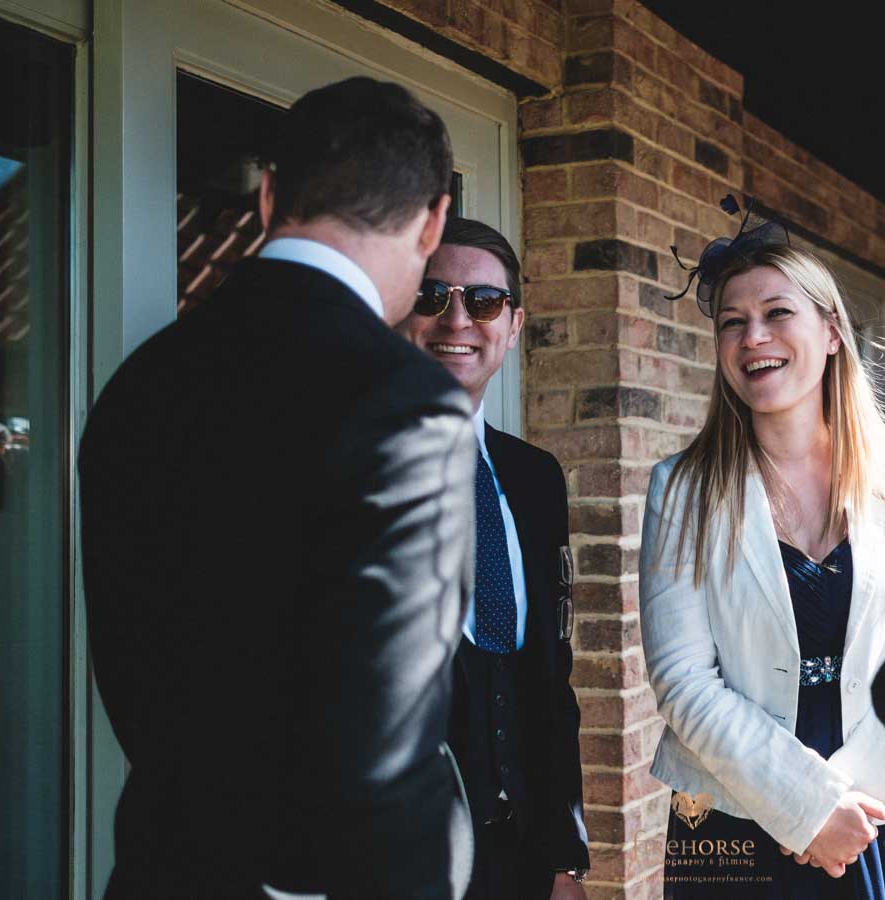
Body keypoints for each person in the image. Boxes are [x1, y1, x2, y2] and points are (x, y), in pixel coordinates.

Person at [78, 77, 472, 899]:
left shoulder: (140, 380)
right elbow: (389, 751)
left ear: (267, 198)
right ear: (433, 220)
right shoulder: (401, 399)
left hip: (160, 866)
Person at [640, 231, 885, 898]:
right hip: (728, 816)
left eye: (778, 313)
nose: (754, 337)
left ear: (832, 331)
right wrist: (805, 807)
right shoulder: (682, 489)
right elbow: (681, 678)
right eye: (732, 322)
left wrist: (846, 808)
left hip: (881, 809)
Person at [395, 217, 590, 899]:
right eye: (431, 295)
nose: (457, 319)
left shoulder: (535, 477)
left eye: (483, 301)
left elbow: (550, 678)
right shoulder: (349, 463)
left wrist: (566, 858)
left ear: (512, 326)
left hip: (523, 862)